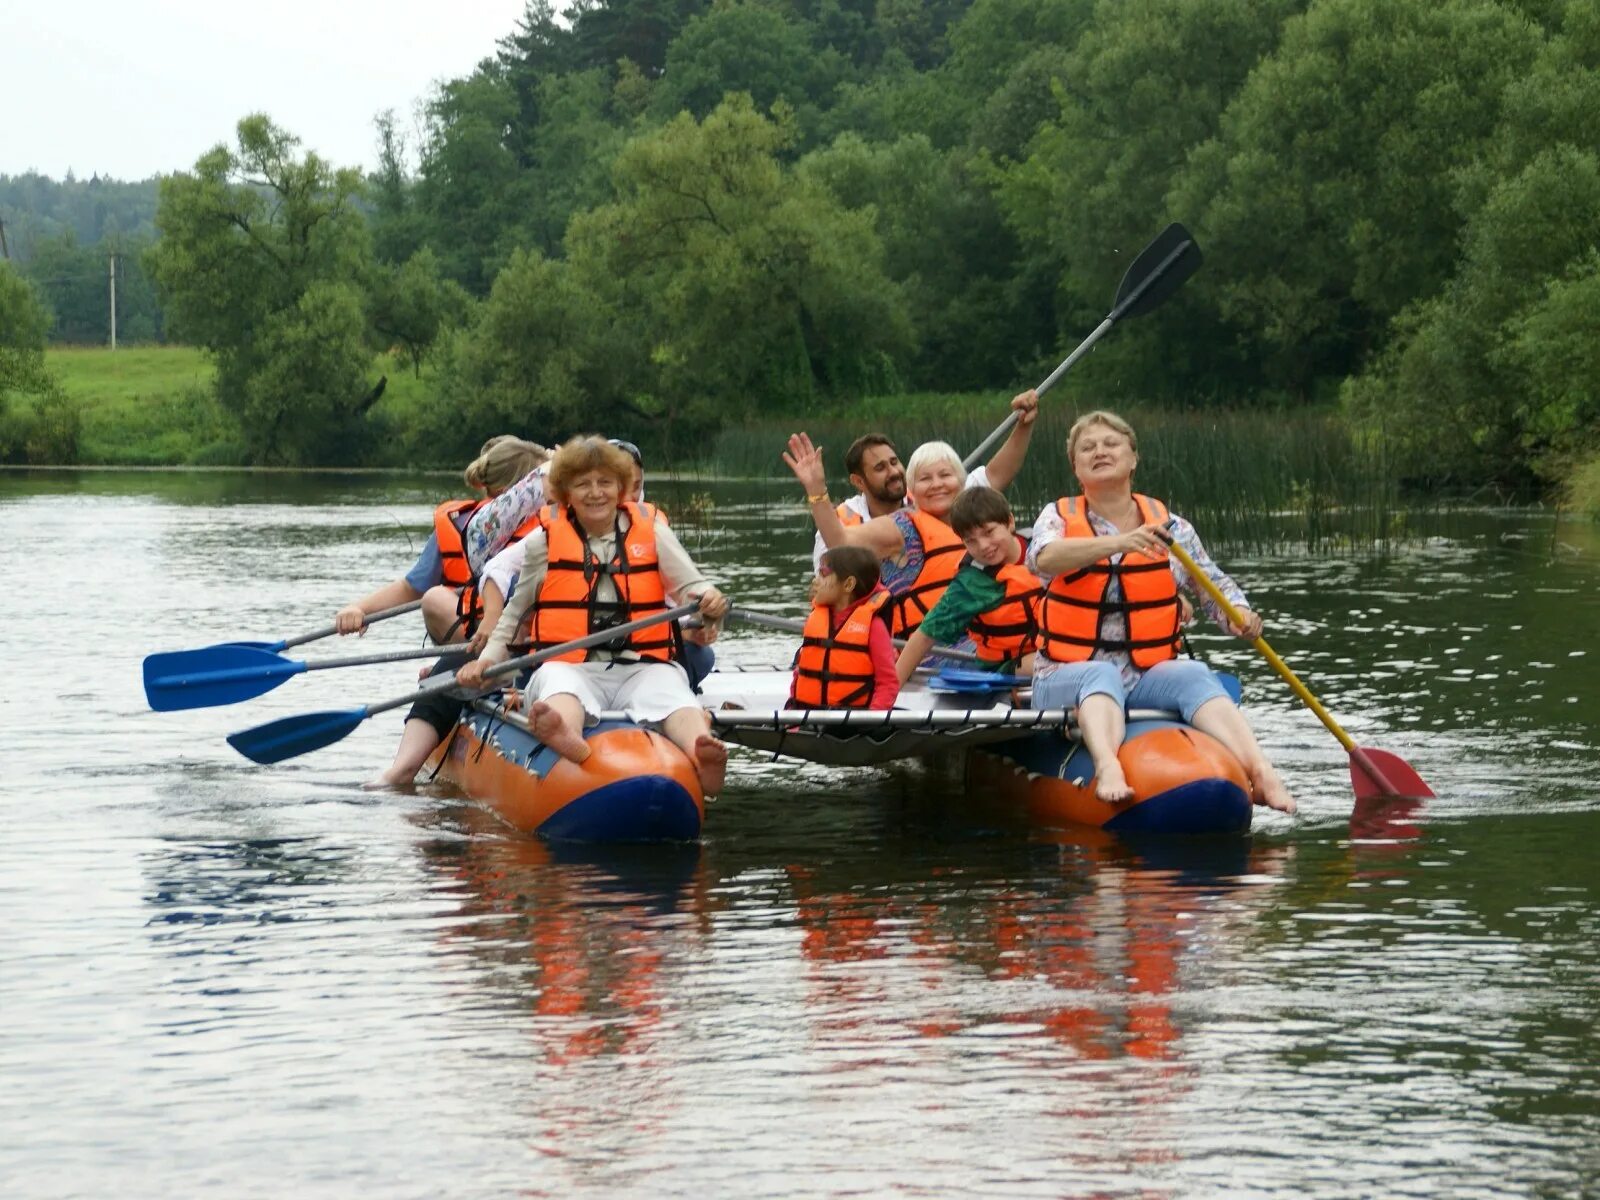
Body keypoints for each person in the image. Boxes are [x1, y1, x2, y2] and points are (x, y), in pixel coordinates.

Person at [1026, 410, 1295, 812]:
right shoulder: (1057, 517)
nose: (1100, 451)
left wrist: (1239, 614)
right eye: (1088, 448)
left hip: (1145, 673)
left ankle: (1261, 772)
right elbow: (1043, 559)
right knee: (1099, 674)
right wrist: (1120, 543)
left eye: (1111, 443)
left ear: (1133, 458)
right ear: (1076, 468)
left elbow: (1212, 584)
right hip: (1065, 672)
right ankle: (1108, 766)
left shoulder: (1172, 527)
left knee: (1193, 673)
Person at [455, 436, 731, 796]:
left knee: (672, 692)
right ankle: (565, 736)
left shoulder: (653, 531)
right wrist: (487, 660)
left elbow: (692, 587)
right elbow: (514, 614)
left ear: (622, 488)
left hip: (642, 666)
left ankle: (701, 753)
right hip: (571, 665)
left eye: (605, 483)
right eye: (583, 484)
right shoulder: (545, 541)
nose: (595, 493)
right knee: (558, 686)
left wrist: (709, 602)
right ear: (566, 492)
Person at [782, 389, 1040, 638]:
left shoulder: (963, 501)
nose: (938, 484)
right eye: (926, 478)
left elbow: (997, 473)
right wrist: (817, 490)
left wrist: (1024, 425)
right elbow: (840, 543)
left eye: (895, 463)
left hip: (979, 635)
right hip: (931, 648)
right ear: (914, 489)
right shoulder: (904, 525)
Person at [335, 436, 549, 645]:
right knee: (434, 597)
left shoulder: (557, 519)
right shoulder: (464, 524)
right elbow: (411, 588)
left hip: (538, 630)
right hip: (477, 629)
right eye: (543, 483)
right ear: (512, 491)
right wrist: (359, 608)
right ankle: (473, 658)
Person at [892, 486, 1043, 685]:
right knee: (1058, 659)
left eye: (989, 532)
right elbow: (924, 636)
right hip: (1010, 666)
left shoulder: (1043, 549)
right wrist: (889, 696)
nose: (983, 546)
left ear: (1010, 522)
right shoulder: (971, 583)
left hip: (1059, 648)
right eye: (971, 541)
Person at [789, 546, 900, 711]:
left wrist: (870, 721)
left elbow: (887, 683)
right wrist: (792, 711)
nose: (815, 580)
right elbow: (800, 673)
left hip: (851, 725)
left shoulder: (873, 627)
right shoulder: (814, 620)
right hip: (807, 716)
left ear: (848, 584)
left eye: (823, 574)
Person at [810, 433, 907, 570]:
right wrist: (815, 489)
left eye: (894, 462)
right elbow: (828, 583)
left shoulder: (926, 504)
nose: (894, 472)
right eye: (880, 468)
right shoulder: (835, 523)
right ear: (858, 482)